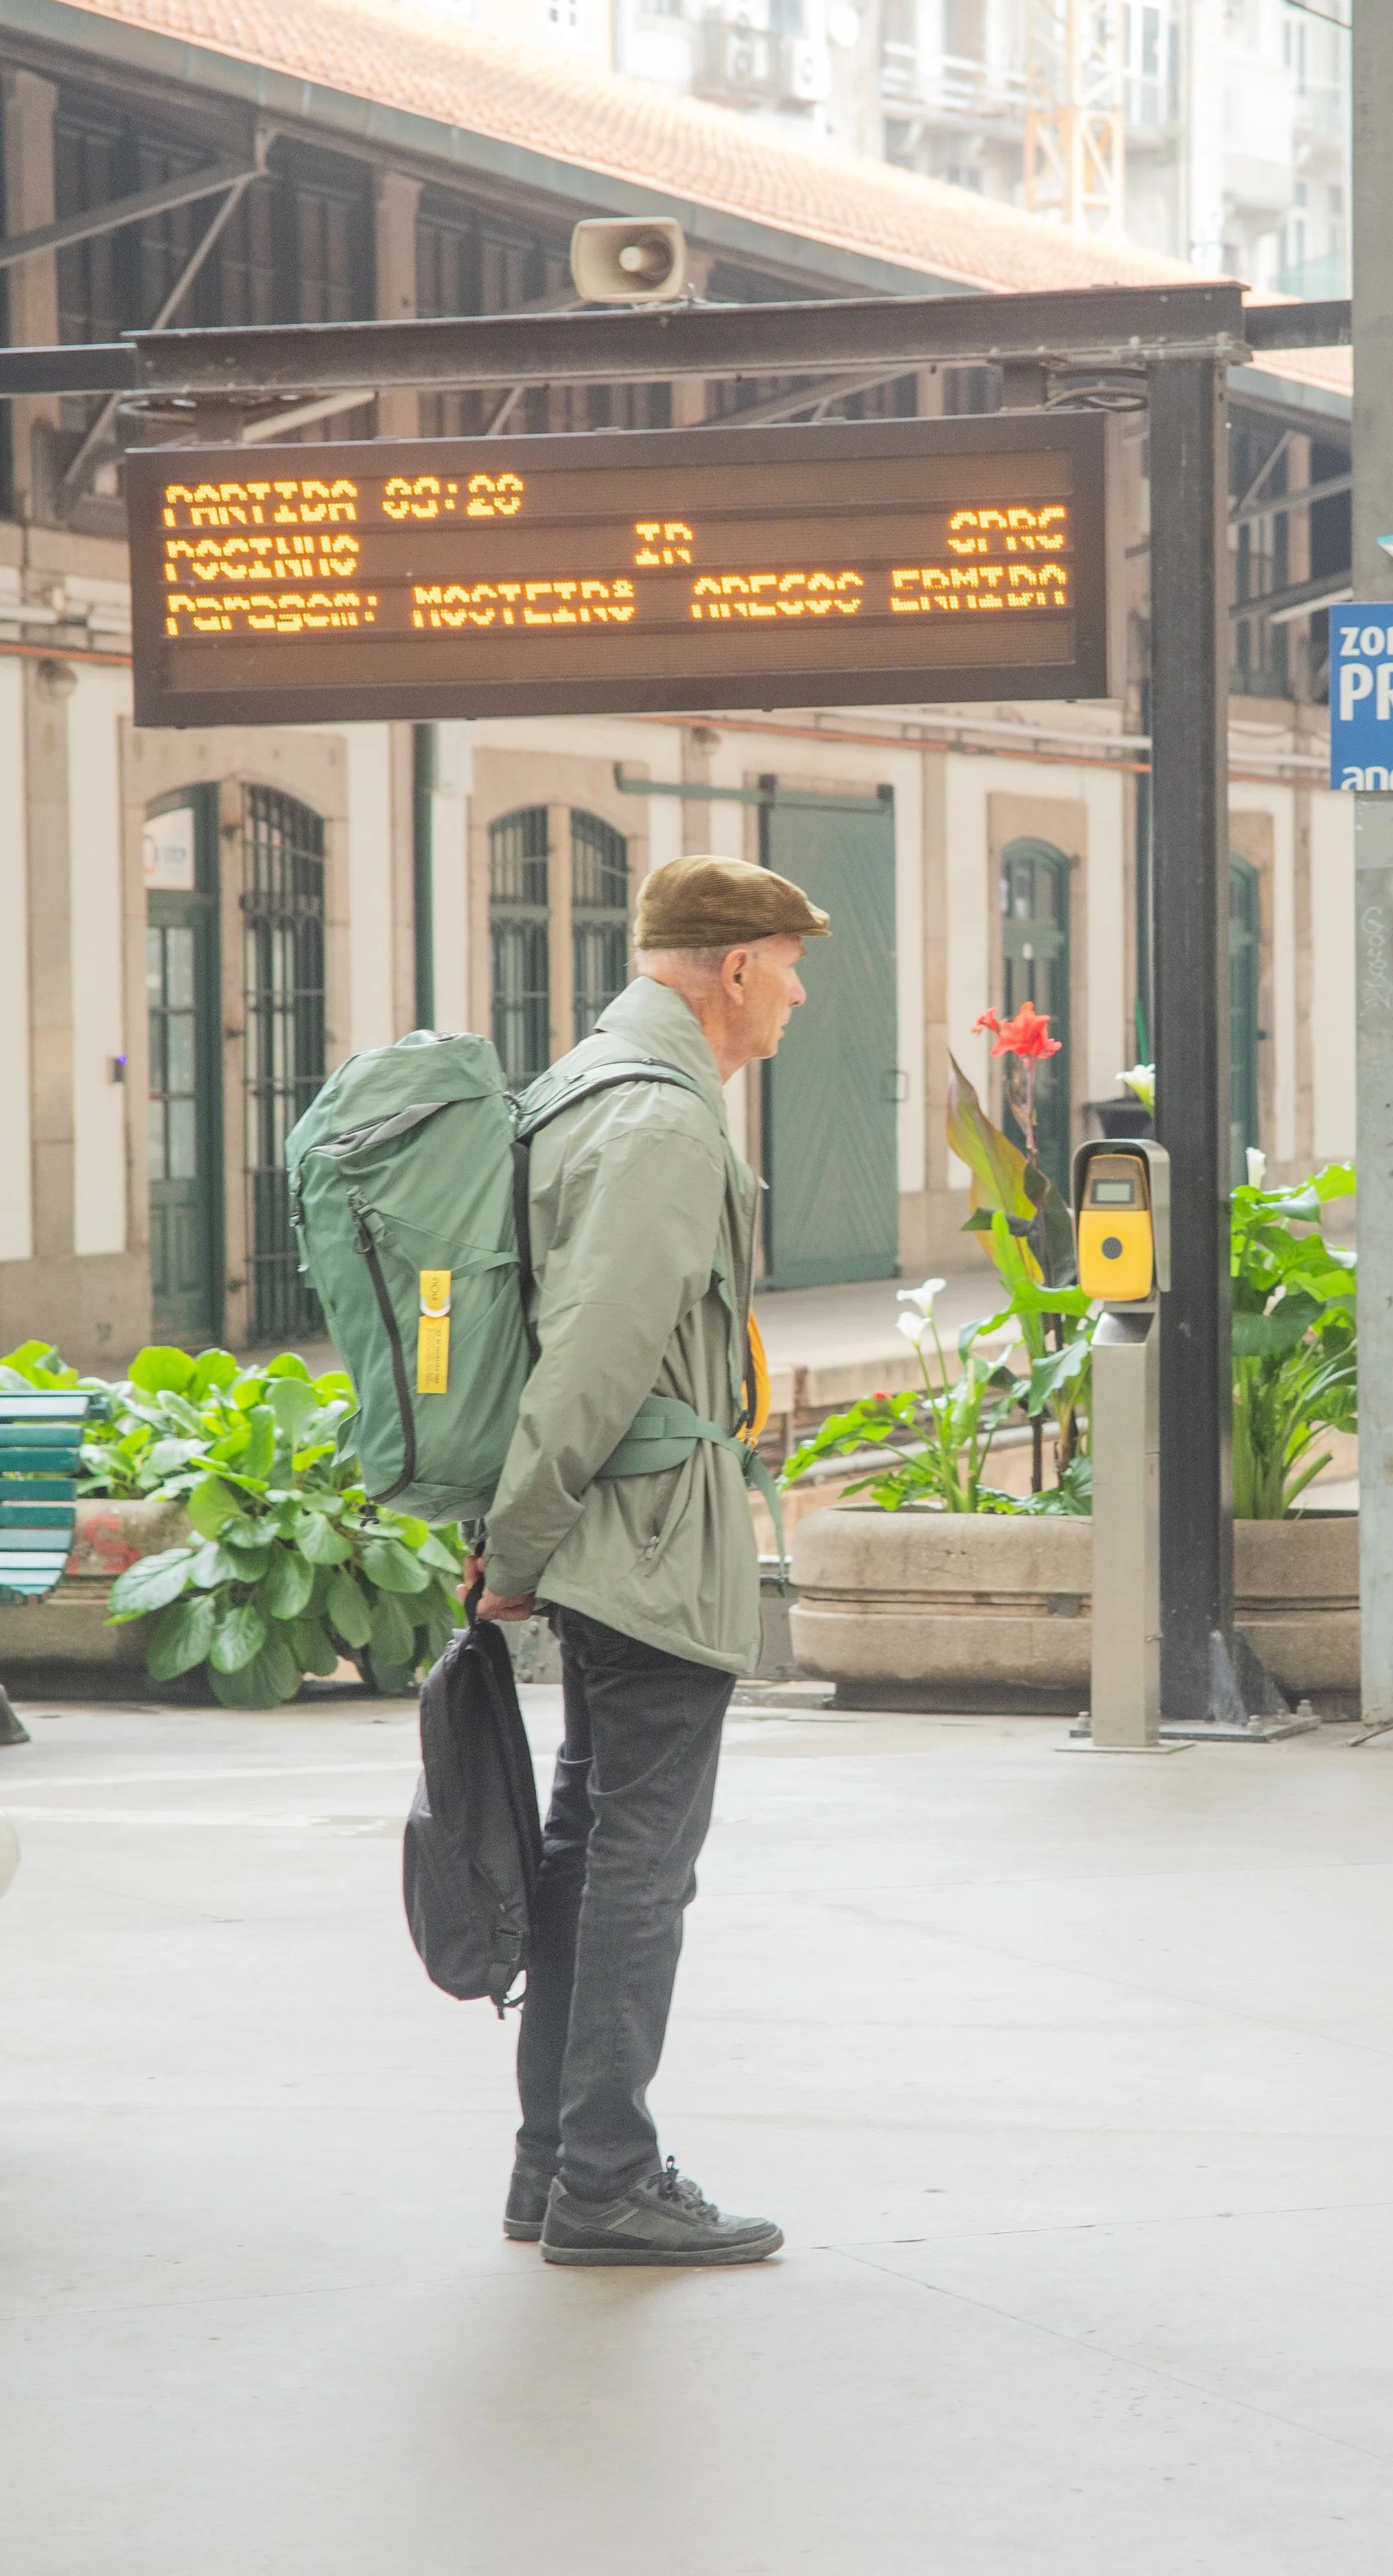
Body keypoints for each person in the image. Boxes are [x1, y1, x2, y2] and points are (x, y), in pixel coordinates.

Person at [474, 854, 827, 2268]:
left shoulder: (578, 1085)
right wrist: (518, 1543)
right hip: (650, 1548)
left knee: (588, 1847)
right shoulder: (668, 1125)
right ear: (732, 967)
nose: (800, 995)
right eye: (790, 966)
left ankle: (551, 2164)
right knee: (638, 1865)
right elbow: (596, 1360)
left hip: (604, 1545)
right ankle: (608, 2174)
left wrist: (525, 1542)